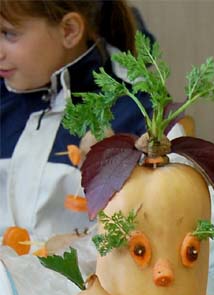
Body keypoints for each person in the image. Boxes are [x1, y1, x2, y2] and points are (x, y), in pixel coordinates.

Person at [0, 0, 151, 246]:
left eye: (8, 34)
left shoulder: (139, 116)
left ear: (69, 30)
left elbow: (169, 225)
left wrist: (126, 175)